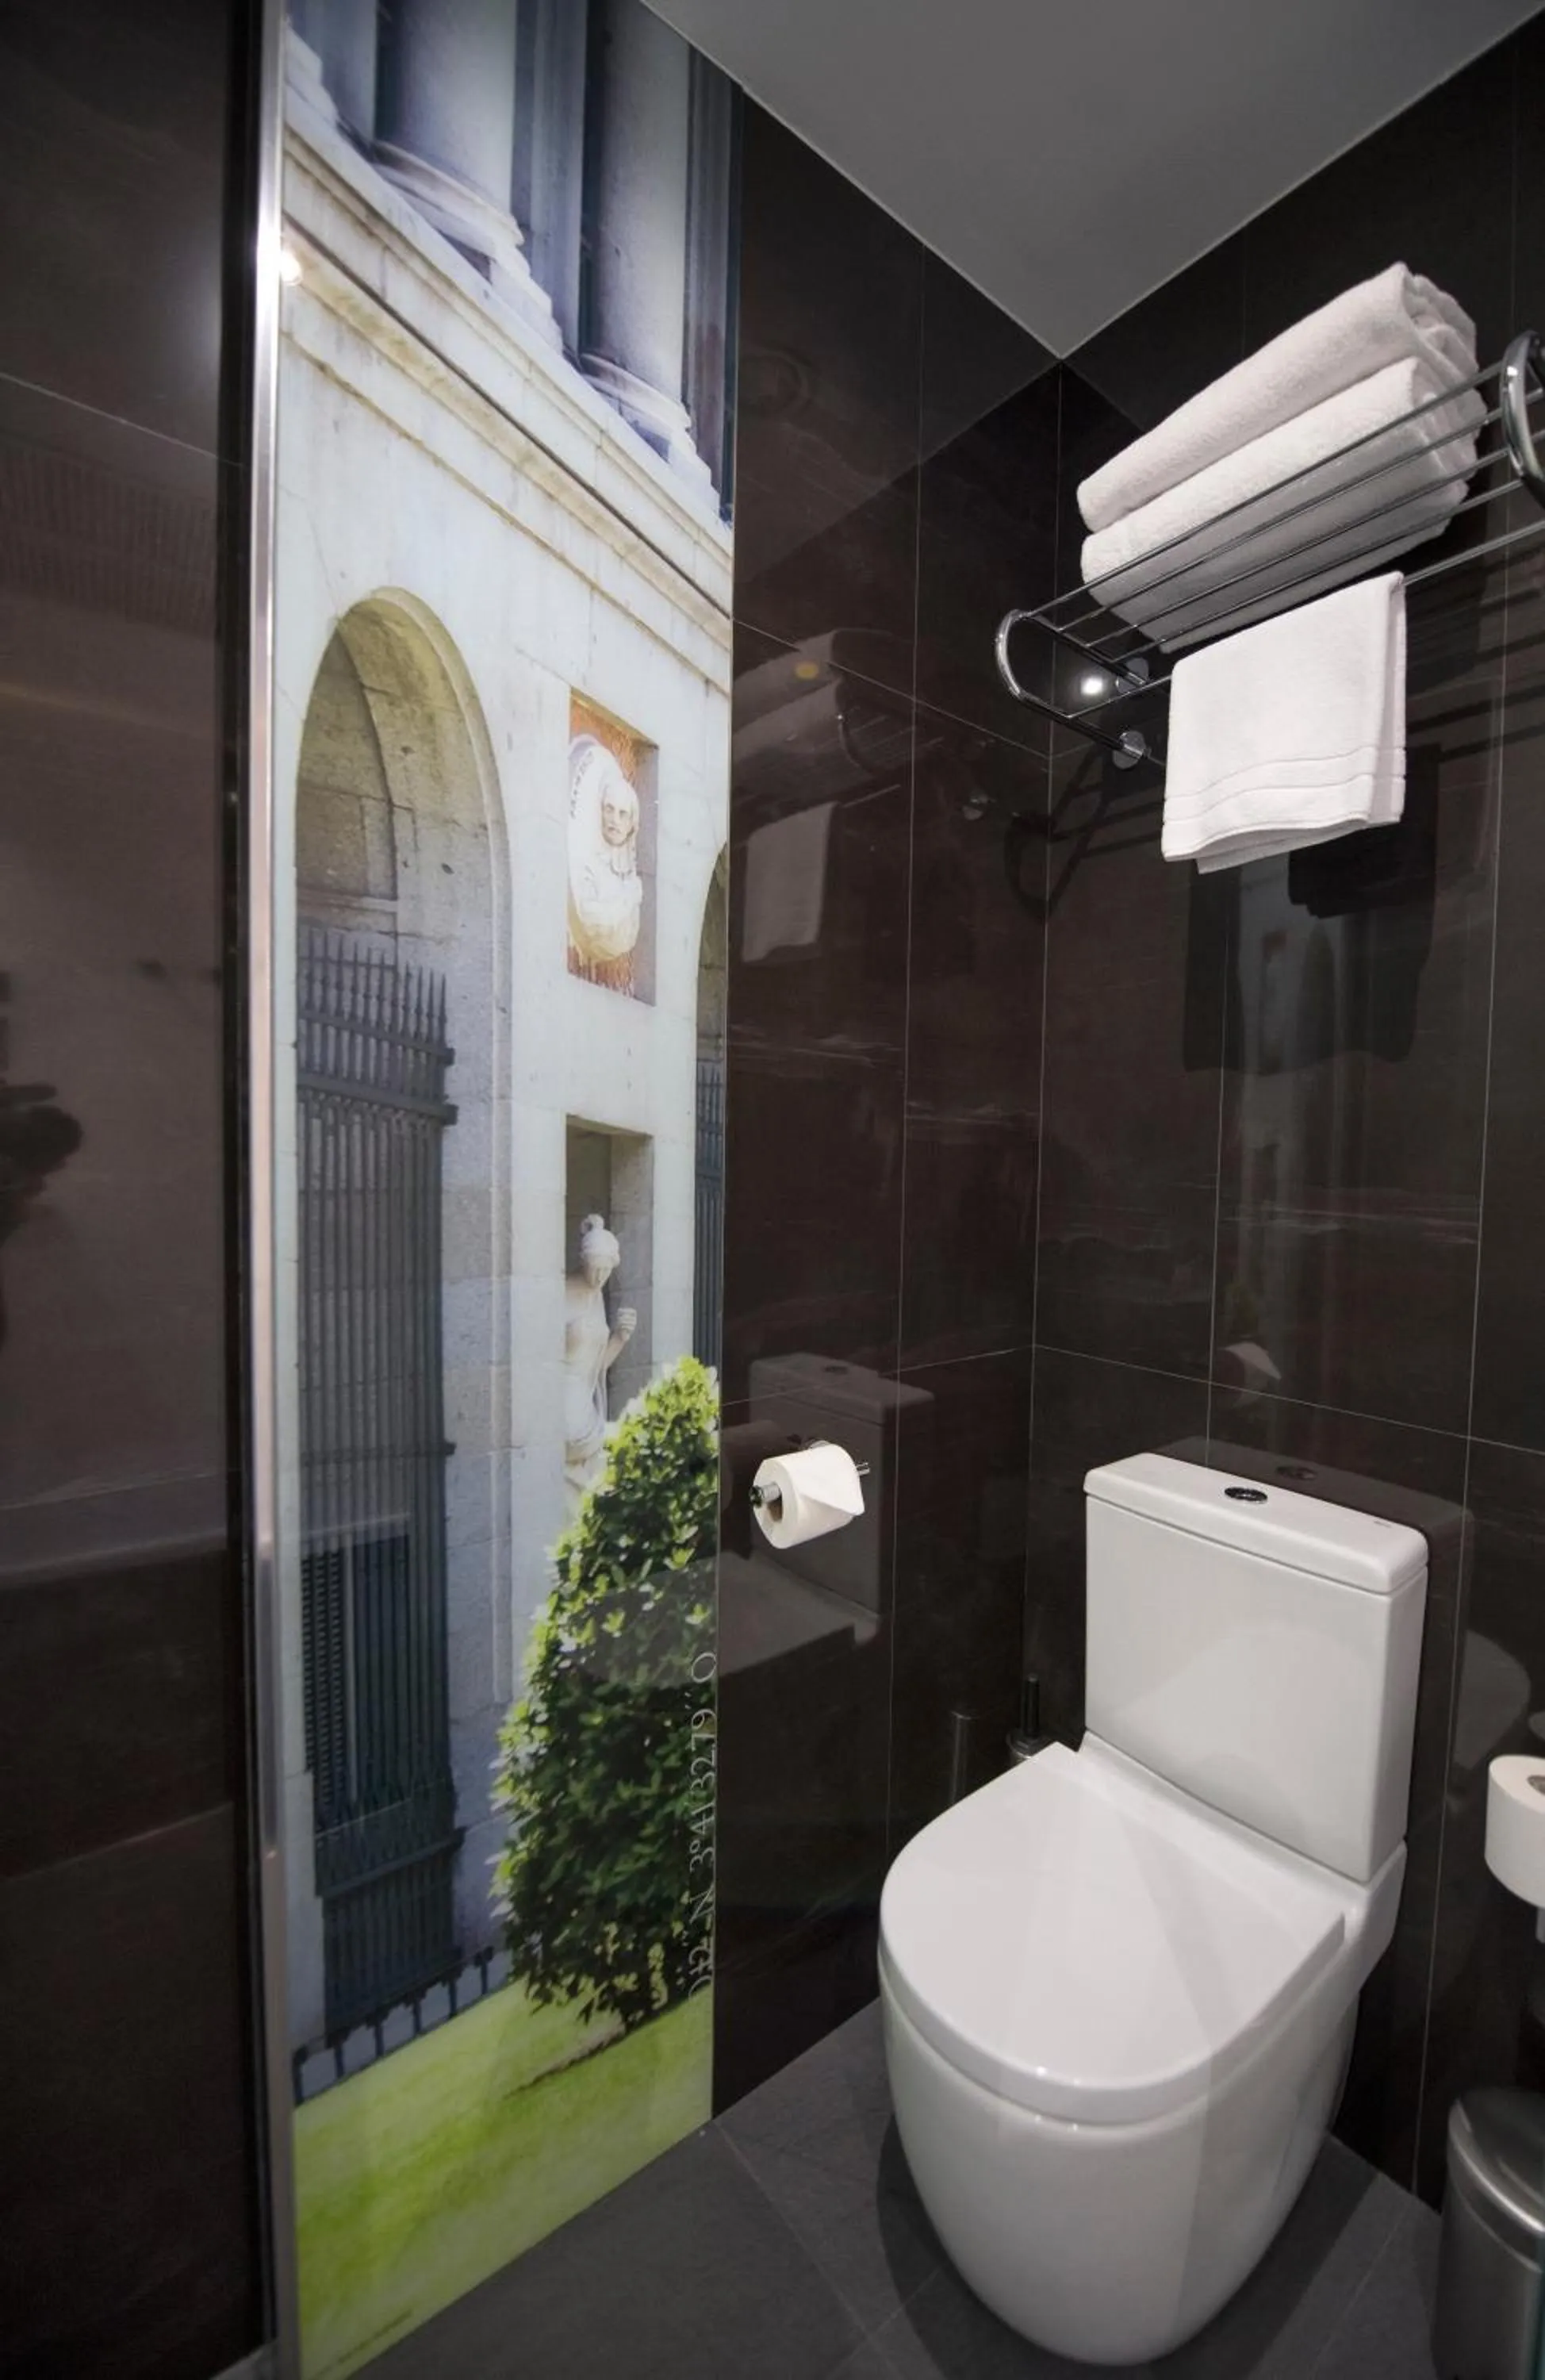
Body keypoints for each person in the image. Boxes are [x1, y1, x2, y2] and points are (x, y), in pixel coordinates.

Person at [562, 1213, 636, 1503]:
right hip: (562, 1399)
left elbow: (597, 1366)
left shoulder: (597, 1297)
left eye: (606, 1271)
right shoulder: (561, 1291)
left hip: (586, 1399)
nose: (599, 1278)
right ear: (583, 1261)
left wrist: (620, 1337)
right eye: (595, 1269)